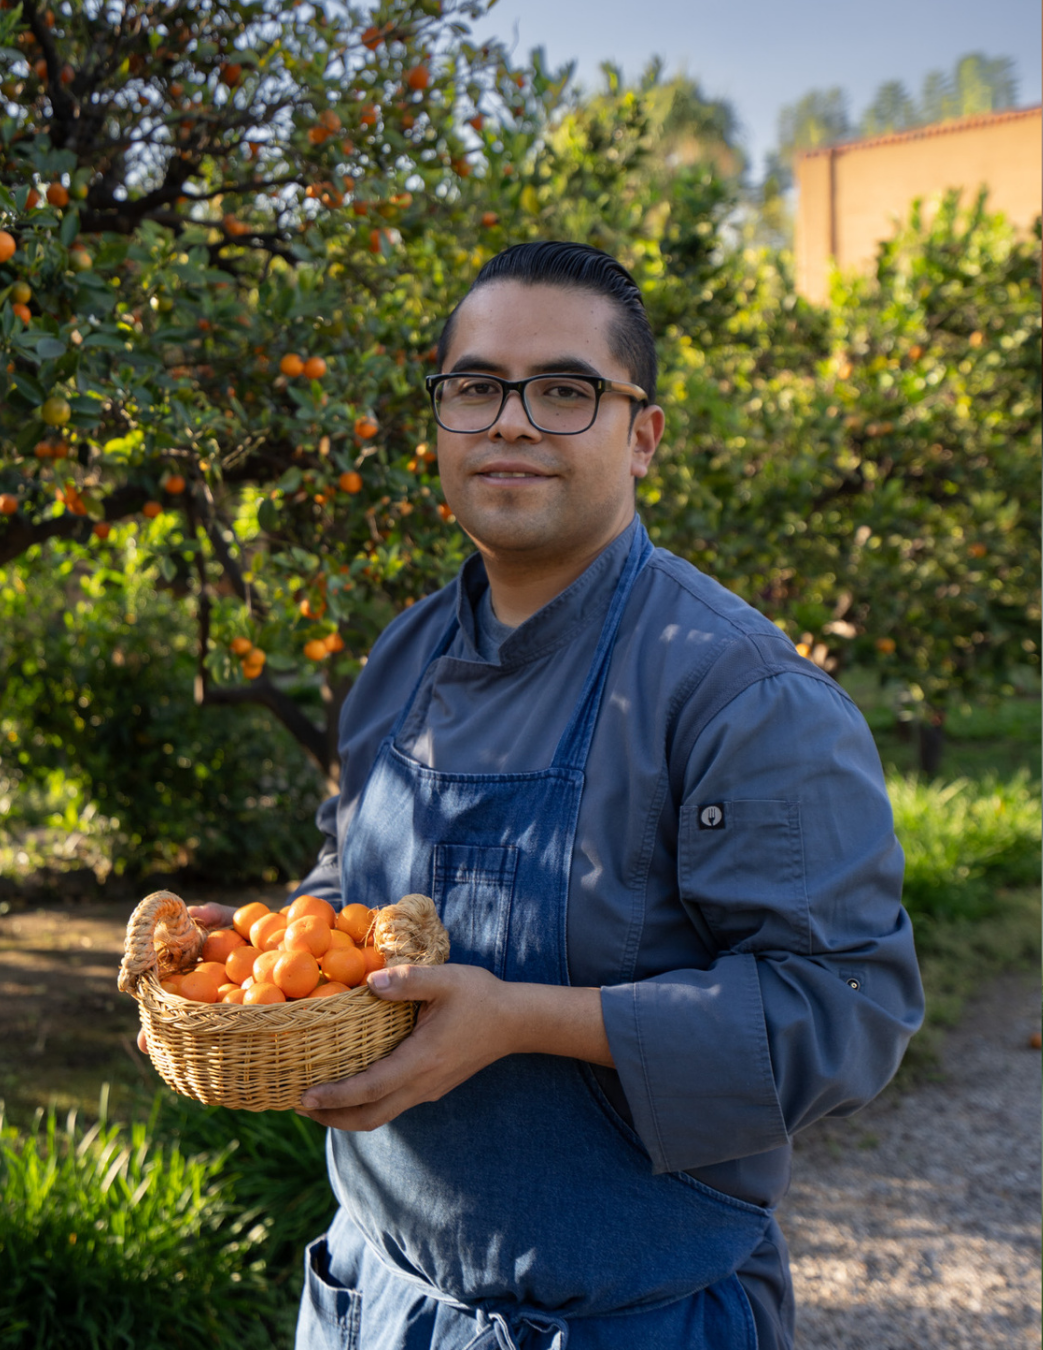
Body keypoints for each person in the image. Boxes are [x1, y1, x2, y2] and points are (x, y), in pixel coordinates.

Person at [198, 242, 924, 1349]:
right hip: (374, 1293)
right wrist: (260, 959)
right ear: (441, 421)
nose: (512, 421)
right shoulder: (399, 661)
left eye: (566, 390)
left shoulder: (740, 693)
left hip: (629, 1318)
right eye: (477, 386)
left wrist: (524, 1022)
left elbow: (847, 1011)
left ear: (642, 436)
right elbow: (347, 878)